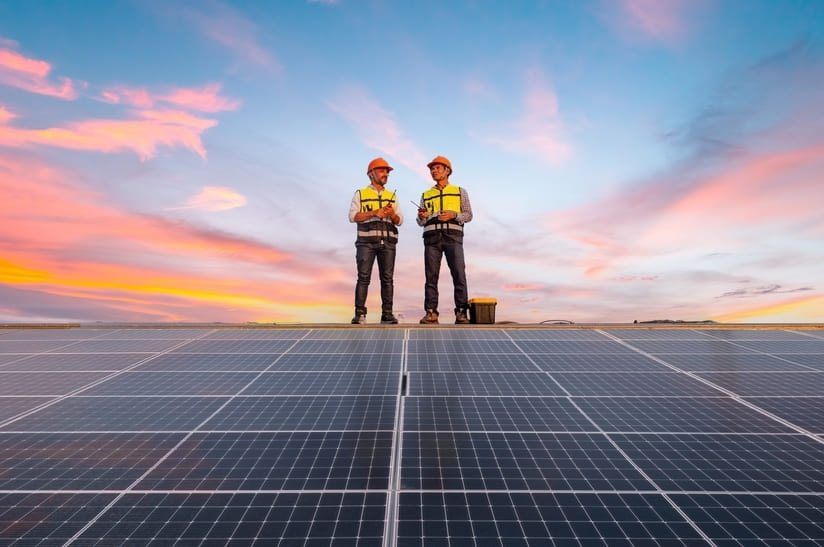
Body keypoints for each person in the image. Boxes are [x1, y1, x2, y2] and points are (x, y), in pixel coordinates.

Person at [416, 155, 473, 324]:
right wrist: (422, 216)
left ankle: (461, 312)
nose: (434, 171)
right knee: (431, 277)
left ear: (447, 171)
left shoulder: (459, 191)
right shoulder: (425, 194)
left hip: (453, 237)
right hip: (431, 239)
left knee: (459, 274)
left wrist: (453, 215)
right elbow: (420, 221)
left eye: (437, 168)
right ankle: (431, 312)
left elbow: (468, 215)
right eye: (432, 169)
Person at [348, 157, 403, 324]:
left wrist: (391, 214)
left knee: (387, 279)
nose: (385, 173)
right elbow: (352, 216)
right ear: (371, 174)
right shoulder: (360, 193)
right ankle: (360, 314)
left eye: (387, 171)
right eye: (382, 170)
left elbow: (400, 220)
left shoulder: (391, 196)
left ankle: (387, 314)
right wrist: (374, 213)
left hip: (388, 243)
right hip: (366, 243)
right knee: (363, 277)